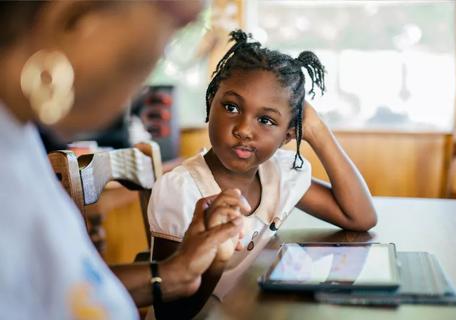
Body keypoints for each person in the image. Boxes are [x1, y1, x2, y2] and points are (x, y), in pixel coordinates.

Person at [0, 2, 249, 319]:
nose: (146, 80)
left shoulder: (19, 139)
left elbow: (62, 286)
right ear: (74, 16)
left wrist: (176, 271)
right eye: (173, 31)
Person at [148, 30, 378, 318]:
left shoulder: (279, 173)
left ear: (287, 135)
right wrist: (215, 258)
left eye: (266, 120)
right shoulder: (181, 189)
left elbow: (361, 217)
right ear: (211, 102)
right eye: (231, 107)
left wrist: (317, 131)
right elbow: (171, 312)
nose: (244, 129)